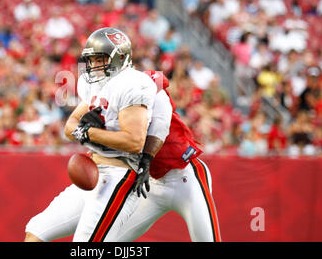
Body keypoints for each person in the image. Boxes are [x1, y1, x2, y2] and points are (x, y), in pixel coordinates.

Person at [24, 27, 157, 242]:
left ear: (121, 58)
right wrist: (84, 132)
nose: (94, 65)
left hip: (118, 176)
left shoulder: (133, 84)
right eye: (92, 59)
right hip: (93, 171)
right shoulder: (97, 83)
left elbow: (134, 141)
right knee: (36, 231)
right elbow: (70, 127)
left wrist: (89, 133)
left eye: (100, 59)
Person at [117, 70, 222, 242]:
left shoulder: (142, 85)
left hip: (185, 177)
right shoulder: (103, 101)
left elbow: (159, 80)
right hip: (150, 184)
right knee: (106, 240)